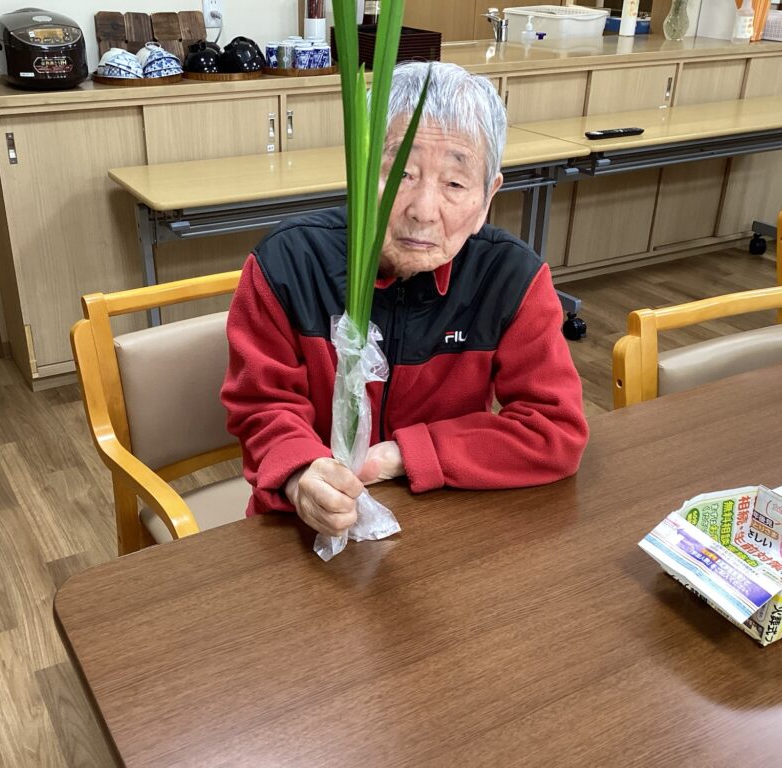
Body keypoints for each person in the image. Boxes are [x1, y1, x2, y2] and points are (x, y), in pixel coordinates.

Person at [221, 61, 588, 537]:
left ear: (487, 198)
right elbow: (261, 406)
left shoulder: (511, 278)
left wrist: (404, 455)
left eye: (455, 183)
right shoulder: (288, 263)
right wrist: (299, 473)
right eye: (401, 175)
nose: (423, 211)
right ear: (360, 170)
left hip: (442, 521)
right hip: (303, 524)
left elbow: (554, 429)